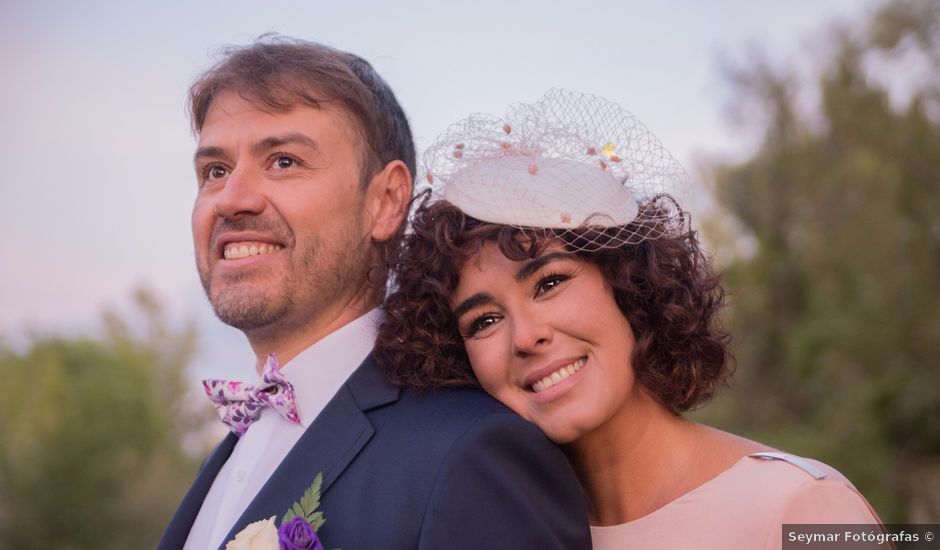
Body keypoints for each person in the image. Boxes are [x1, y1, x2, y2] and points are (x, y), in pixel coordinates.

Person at [376, 89, 883, 549]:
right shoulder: (501, 532)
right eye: (483, 321)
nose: (526, 337)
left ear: (630, 286)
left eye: (549, 283)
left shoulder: (802, 509)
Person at [159, 39, 592, 550]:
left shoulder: (471, 455)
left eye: (283, 161)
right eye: (215, 171)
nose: (232, 198)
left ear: (385, 202)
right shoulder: (228, 458)